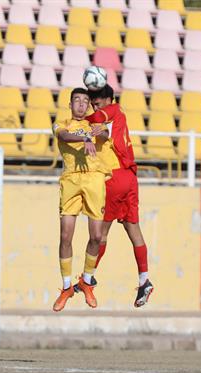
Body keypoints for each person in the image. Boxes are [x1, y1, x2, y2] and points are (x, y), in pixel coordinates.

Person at [85, 85, 154, 307]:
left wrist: (79, 121)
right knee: (133, 229)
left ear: (109, 100)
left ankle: (88, 277)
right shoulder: (115, 117)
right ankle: (144, 280)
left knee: (100, 233)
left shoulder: (112, 110)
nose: (94, 107)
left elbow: (98, 123)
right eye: (92, 104)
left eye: (97, 103)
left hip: (114, 177)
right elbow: (104, 131)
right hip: (130, 176)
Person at [52, 88, 111, 312]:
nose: (80, 104)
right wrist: (85, 137)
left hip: (94, 179)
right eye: (76, 100)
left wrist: (96, 131)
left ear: (88, 105)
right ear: (70, 104)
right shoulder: (61, 124)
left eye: (85, 101)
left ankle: (86, 281)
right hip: (70, 180)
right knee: (65, 236)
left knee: (96, 236)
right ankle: (67, 287)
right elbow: (63, 136)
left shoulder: (94, 124)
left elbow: (105, 135)